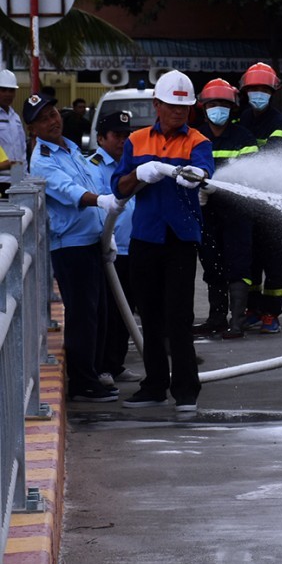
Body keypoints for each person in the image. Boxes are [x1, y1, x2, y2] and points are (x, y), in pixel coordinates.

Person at [112, 70, 214, 412]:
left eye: (184, 108)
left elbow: (204, 173)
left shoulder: (198, 141)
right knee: (150, 316)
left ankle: (186, 392)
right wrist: (137, 174)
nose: (178, 112)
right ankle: (154, 385)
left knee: (179, 317)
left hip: (181, 239)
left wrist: (198, 176)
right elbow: (118, 187)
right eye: (172, 106)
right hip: (145, 237)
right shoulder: (136, 140)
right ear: (157, 104)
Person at [25, 92, 125, 402]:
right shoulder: (42, 159)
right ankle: (82, 383)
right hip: (70, 246)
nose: (52, 121)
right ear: (33, 130)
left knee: (99, 312)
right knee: (83, 315)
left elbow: (94, 180)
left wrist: (108, 236)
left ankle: (93, 373)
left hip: (93, 241)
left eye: (52, 113)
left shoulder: (70, 149)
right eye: (43, 119)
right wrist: (102, 201)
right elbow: (72, 192)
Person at [194, 78, 258, 339]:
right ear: (204, 106)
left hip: (237, 213)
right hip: (206, 214)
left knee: (238, 265)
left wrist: (216, 187)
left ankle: (237, 321)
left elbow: (253, 175)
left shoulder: (244, 137)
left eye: (223, 104)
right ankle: (217, 318)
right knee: (212, 266)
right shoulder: (196, 138)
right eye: (213, 104)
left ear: (232, 108)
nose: (218, 108)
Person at [88, 111, 144, 388]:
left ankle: (116, 363)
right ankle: (103, 367)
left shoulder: (133, 164)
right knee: (108, 312)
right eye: (117, 136)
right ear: (101, 138)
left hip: (134, 246)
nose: (123, 141)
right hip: (111, 251)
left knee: (127, 310)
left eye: (126, 136)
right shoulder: (94, 167)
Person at [237, 62, 282, 334]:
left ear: (272, 92)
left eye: (263, 89)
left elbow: (273, 156)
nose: (258, 93)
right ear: (245, 92)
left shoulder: (279, 122)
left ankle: (271, 313)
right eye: (253, 89)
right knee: (251, 259)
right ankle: (253, 309)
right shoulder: (242, 119)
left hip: (273, 203)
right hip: (248, 203)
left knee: (273, 260)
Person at [0, 69, 26, 195]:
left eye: (11, 90)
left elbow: (22, 149)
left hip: (16, 179)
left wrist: (23, 176)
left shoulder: (15, 117)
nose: (7, 94)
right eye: (3, 90)